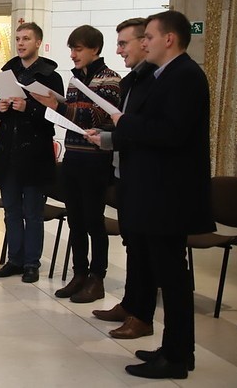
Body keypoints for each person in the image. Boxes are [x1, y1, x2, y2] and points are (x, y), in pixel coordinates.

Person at [109, 11, 214, 379]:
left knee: (172, 278)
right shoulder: (166, 75)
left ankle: (177, 356)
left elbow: (172, 133)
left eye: (149, 37)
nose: (145, 42)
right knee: (169, 275)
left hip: (169, 195)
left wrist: (126, 123)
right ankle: (175, 350)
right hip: (157, 193)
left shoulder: (185, 75)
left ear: (168, 39)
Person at [32, 25, 120, 303]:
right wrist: (57, 106)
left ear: (95, 49)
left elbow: (96, 115)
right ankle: (79, 273)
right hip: (73, 156)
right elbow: (74, 115)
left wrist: (59, 107)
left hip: (96, 160)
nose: (72, 54)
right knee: (76, 220)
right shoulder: (73, 81)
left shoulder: (110, 79)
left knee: (94, 220)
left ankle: (97, 278)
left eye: (78, 49)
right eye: (71, 49)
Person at [86, 18, 158, 339]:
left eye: (123, 43)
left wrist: (114, 131)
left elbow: (146, 131)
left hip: (147, 178)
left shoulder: (157, 82)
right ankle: (130, 304)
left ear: (145, 42)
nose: (119, 50)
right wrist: (103, 137)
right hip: (125, 173)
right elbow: (123, 128)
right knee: (132, 245)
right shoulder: (131, 82)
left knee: (144, 249)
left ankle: (142, 315)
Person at [0, 22, 63, 283]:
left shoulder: (50, 75)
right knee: (11, 210)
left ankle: (32, 262)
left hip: (34, 154)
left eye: (26, 39)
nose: (20, 43)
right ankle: (15, 259)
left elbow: (56, 116)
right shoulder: (8, 70)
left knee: (32, 211)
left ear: (37, 43)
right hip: (9, 152)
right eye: (18, 39)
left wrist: (28, 108)